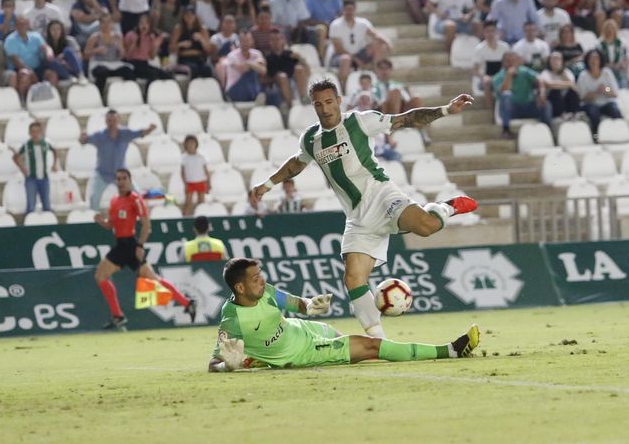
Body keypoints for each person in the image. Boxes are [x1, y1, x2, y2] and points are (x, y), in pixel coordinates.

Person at [249, 77, 478, 341]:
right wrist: (267, 184)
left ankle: (446, 207)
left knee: (427, 226)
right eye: (318, 104)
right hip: (357, 216)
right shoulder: (311, 138)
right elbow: (296, 164)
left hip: (380, 195)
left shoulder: (359, 122)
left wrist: (445, 110)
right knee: (353, 278)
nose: (325, 108)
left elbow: (406, 119)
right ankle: (379, 342)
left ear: (338, 101)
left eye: (329, 102)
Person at [207, 257, 481, 373]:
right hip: (302, 353)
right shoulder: (232, 319)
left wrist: (311, 305)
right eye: (256, 278)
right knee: (370, 347)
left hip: (303, 329)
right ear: (240, 288)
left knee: (352, 345)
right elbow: (214, 363)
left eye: (261, 274)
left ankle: (259, 359)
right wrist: (226, 366)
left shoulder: (266, 291)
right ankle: (450, 350)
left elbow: (297, 304)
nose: (263, 280)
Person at [93, 168, 194, 330]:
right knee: (102, 276)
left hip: (130, 245)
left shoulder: (135, 199)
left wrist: (140, 245)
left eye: (124, 178)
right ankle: (186, 303)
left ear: (130, 180)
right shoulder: (114, 201)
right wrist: (101, 222)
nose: (121, 182)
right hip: (121, 245)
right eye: (118, 179)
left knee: (151, 279)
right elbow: (111, 225)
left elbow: (147, 225)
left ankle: (119, 315)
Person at [80, 108, 156, 208]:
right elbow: (85, 140)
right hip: (102, 174)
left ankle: (138, 216)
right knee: (93, 198)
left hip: (121, 175)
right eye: (109, 120)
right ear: (106, 121)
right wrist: (82, 138)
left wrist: (149, 129)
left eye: (114, 120)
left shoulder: (125, 134)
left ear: (118, 120)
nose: (111, 123)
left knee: (137, 196)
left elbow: (139, 133)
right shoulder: (100, 136)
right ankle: (95, 217)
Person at [14, 119, 61, 215]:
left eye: (37, 131)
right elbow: (15, 157)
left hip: (44, 178)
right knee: (31, 207)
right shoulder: (26, 146)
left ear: (41, 132)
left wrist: (54, 164)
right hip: (31, 179)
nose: (35, 134)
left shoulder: (45, 144)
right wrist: (23, 169)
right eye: (33, 132)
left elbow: (55, 151)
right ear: (29, 133)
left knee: (47, 206)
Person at [179, 133, 210, 216]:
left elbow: (206, 171)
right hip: (190, 182)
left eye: (192, 143)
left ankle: (201, 218)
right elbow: (182, 172)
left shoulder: (201, 157)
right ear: (185, 145)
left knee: (201, 203)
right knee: (188, 203)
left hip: (200, 181)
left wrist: (208, 183)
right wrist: (185, 184)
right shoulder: (184, 157)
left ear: (196, 144)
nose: (190, 145)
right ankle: (185, 218)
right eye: (188, 143)